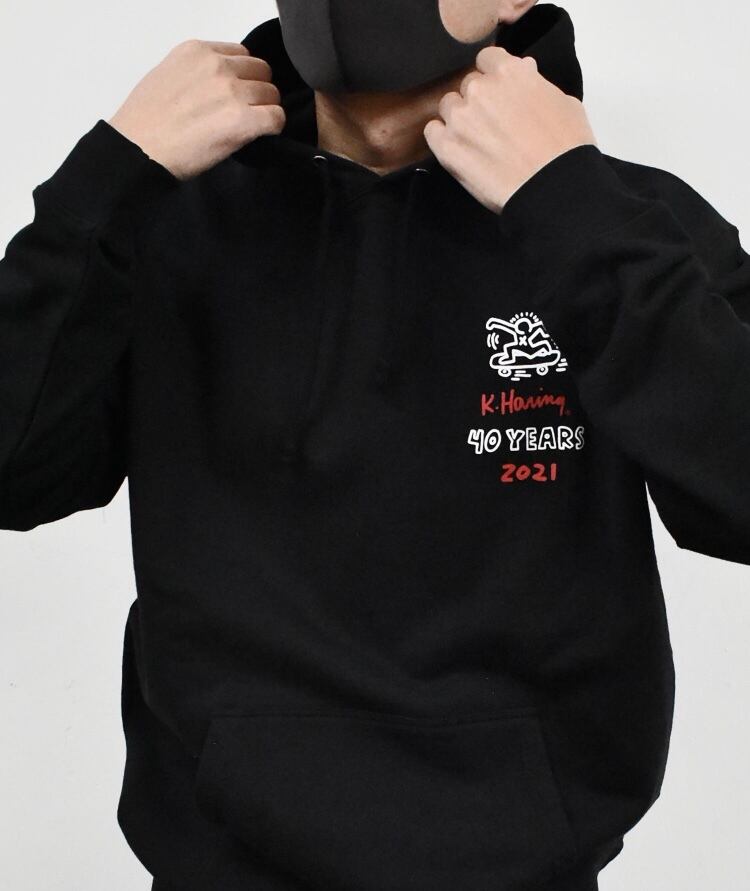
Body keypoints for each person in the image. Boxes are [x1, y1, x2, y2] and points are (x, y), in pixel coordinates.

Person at [2, 1, 749, 888]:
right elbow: (16, 472)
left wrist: (571, 205)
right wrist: (105, 183)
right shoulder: (168, 216)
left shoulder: (621, 228)